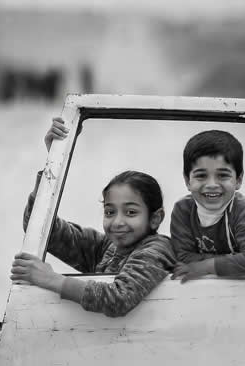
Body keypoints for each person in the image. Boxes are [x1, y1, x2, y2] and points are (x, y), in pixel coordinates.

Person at [12, 118, 175, 317]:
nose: (117, 222)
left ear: (155, 218)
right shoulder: (107, 248)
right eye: (109, 212)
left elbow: (119, 298)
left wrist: (52, 279)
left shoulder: (157, 250)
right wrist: (54, 157)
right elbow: (41, 228)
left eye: (131, 212)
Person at [170, 129, 245, 283]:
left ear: (238, 180)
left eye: (223, 175)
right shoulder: (182, 210)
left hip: (242, 290)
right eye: (201, 176)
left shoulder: (242, 211)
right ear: (187, 181)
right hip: (197, 289)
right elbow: (183, 257)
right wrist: (238, 260)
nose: (211, 185)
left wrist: (204, 266)